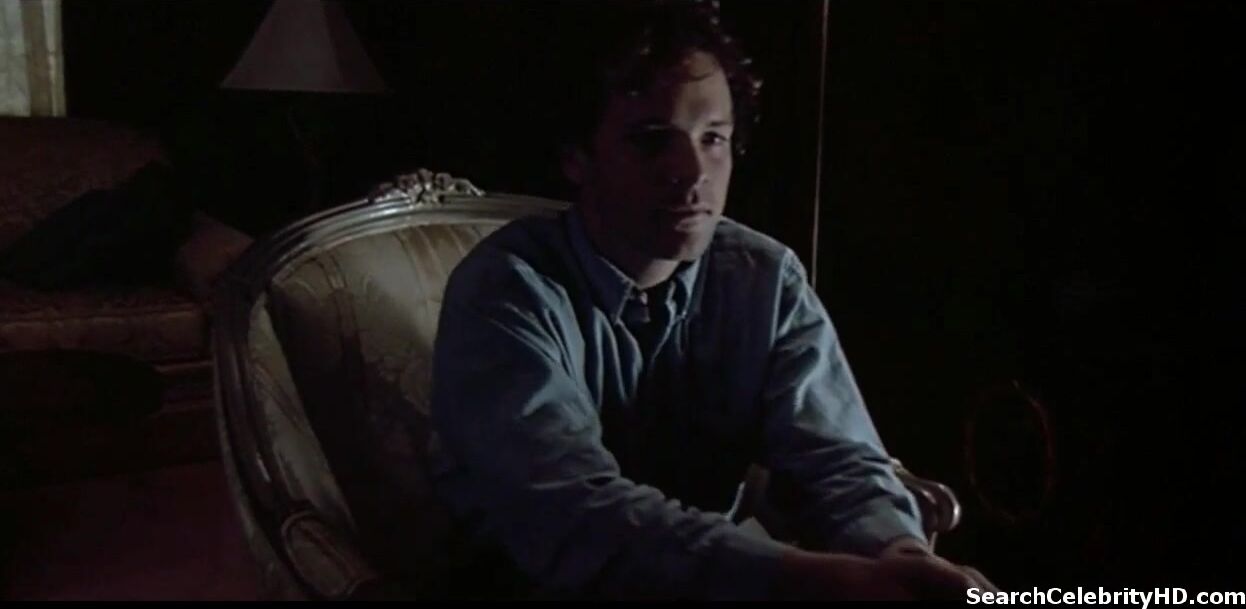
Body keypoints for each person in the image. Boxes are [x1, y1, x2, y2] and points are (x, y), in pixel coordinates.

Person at [427, 0, 997, 600]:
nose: (692, 170)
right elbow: (578, 515)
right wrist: (819, 578)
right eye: (652, 141)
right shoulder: (505, 290)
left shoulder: (762, 278)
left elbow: (839, 459)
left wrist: (899, 555)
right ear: (577, 157)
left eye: (713, 138)